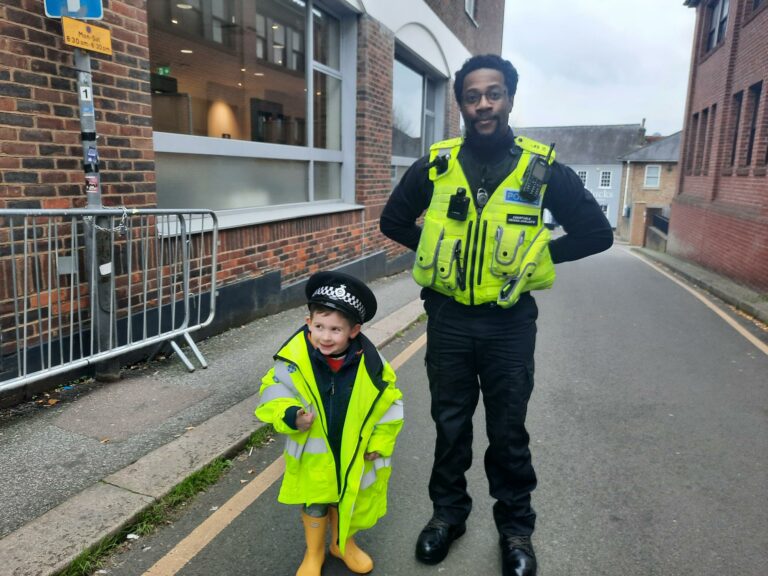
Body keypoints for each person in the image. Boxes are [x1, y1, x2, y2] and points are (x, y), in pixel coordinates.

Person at [380, 54, 613, 576]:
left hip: (509, 325)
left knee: (508, 431)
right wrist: (436, 252)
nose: (483, 104)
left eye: (494, 94)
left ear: (509, 97)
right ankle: (447, 517)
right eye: (472, 96)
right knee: (450, 424)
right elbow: (392, 220)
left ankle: (515, 530)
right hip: (448, 320)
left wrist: (537, 257)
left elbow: (598, 234)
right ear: (461, 103)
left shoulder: (540, 167)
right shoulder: (436, 164)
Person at [255, 271, 404, 576]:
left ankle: (342, 544)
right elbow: (273, 391)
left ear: (354, 331)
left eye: (336, 329)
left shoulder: (374, 368)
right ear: (308, 322)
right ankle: (314, 553)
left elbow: (391, 406)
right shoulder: (292, 362)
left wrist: (379, 443)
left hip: (354, 453)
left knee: (347, 498)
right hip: (313, 454)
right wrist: (290, 415)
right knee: (316, 502)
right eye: (319, 326)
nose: (325, 336)